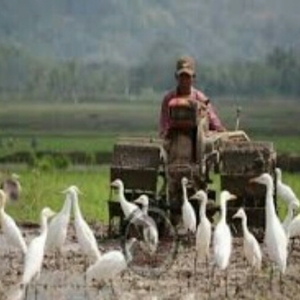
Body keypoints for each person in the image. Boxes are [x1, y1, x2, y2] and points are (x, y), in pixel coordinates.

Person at [159, 56, 226, 139]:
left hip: (197, 142)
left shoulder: (201, 98)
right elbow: (164, 124)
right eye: (182, 76)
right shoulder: (168, 99)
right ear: (176, 77)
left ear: (193, 77)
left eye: (187, 77)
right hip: (174, 142)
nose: (184, 80)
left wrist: (221, 131)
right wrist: (165, 134)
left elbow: (213, 120)